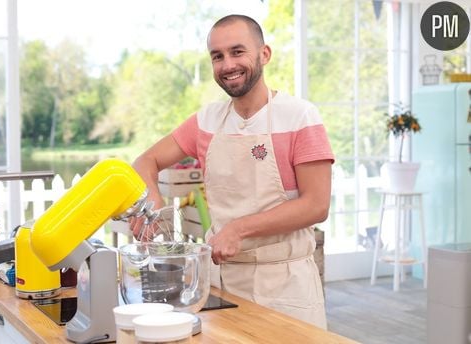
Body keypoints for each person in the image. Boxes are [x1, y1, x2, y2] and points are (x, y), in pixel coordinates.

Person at [131, 14, 334, 329]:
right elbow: (145, 161)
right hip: (221, 284)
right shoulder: (206, 121)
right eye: (217, 56)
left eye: (237, 52)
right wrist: (153, 196)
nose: (227, 65)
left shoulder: (300, 117)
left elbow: (316, 205)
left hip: (285, 286)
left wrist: (239, 229)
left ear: (264, 54)